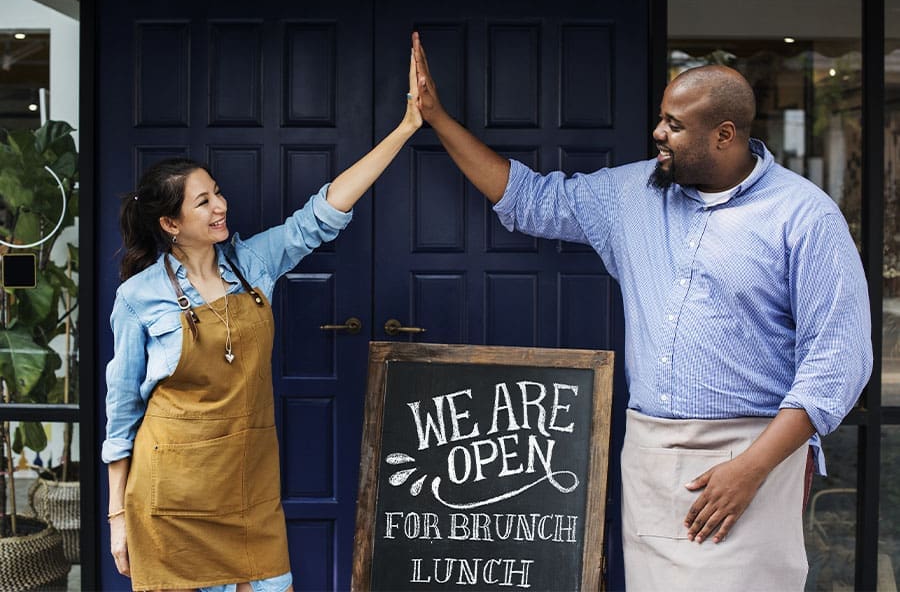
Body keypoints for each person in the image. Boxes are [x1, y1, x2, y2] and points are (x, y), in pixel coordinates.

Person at [411, 31, 872, 591]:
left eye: (675, 124)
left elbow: (838, 363)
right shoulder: (632, 195)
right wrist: (436, 118)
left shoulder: (804, 217)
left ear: (724, 135)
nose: (658, 131)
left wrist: (752, 469)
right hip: (650, 454)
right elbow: (530, 200)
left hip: (754, 454)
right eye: (662, 117)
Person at [102, 52, 421, 592]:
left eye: (217, 193)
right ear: (170, 224)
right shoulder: (137, 298)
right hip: (170, 502)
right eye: (202, 202)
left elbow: (322, 216)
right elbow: (121, 414)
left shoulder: (252, 265)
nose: (219, 206)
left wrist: (407, 127)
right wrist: (116, 520)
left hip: (248, 487)